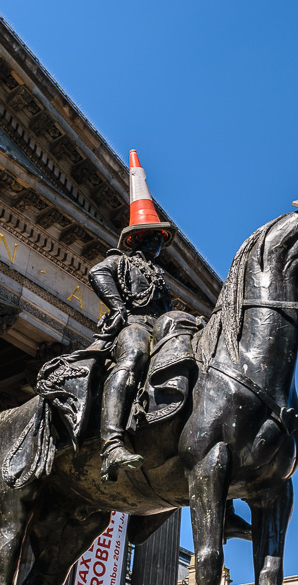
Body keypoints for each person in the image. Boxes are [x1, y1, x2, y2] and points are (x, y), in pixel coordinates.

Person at [91, 150, 175, 482]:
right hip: (135, 326)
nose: (158, 243)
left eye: (160, 239)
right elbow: (98, 272)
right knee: (136, 354)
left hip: (163, 329)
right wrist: (120, 308)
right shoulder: (120, 262)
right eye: (153, 237)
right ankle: (112, 442)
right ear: (137, 239)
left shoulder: (158, 276)